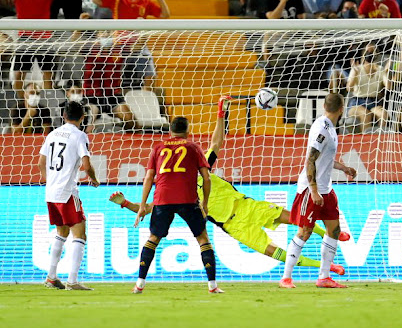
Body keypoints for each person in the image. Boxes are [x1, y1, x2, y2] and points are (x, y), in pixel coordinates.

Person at [111, 97, 350, 274]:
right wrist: (126, 204)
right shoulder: (180, 193)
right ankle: (328, 266)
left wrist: (220, 114)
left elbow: (216, 142)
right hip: (235, 226)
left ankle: (334, 237)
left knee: (298, 219)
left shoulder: (200, 166)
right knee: (277, 252)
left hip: (247, 206)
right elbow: (152, 208)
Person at [132, 116, 220, 294]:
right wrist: (204, 202)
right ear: (188, 131)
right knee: (202, 238)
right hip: (187, 199)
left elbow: (149, 177)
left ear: (170, 131)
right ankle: (212, 286)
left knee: (153, 239)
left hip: (163, 199)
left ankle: (139, 284)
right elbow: (207, 177)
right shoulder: (193, 147)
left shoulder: (158, 148)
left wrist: (142, 205)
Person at [280, 93, 357, 289]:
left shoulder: (330, 128)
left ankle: (324, 277)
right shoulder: (322, 129)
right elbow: (310, 160)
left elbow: (325, 159)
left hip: (326, 188)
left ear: (324, 106)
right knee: (304, 232)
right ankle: (286, 278)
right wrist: (314, 190)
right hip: (310, 189)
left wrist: (344, 168)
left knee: (334, 230)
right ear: (342, 109)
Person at [38, 100, 100, 290]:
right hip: (67, 192)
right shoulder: (80, 136)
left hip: (51, 192)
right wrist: (94, 179)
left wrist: (49, 180)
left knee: (61, 232)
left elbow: (41, 162)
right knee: (80, 233)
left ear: (63, 116)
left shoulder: (52, 134)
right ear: (82, 117)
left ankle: (51, 277)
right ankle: (72, 281)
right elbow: (86, 165)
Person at [0, 0, 74, 92]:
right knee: (18, 76)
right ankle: (22, 104)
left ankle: (46, 106)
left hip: (44, 38)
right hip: (25, 38)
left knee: (48, 75)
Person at [346, 46, 388, 133]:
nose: (371, 53)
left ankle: (381, 140)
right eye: (368, 51)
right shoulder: (357, 68)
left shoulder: (380, 69)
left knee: (383, 114)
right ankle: (366, 142)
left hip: (374, 102)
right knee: (365, 114)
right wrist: (355, 74)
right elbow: (349, 88)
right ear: (363, 54)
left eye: (373, 51)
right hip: (357, 102)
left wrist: (384, 72)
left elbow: (389, 87)